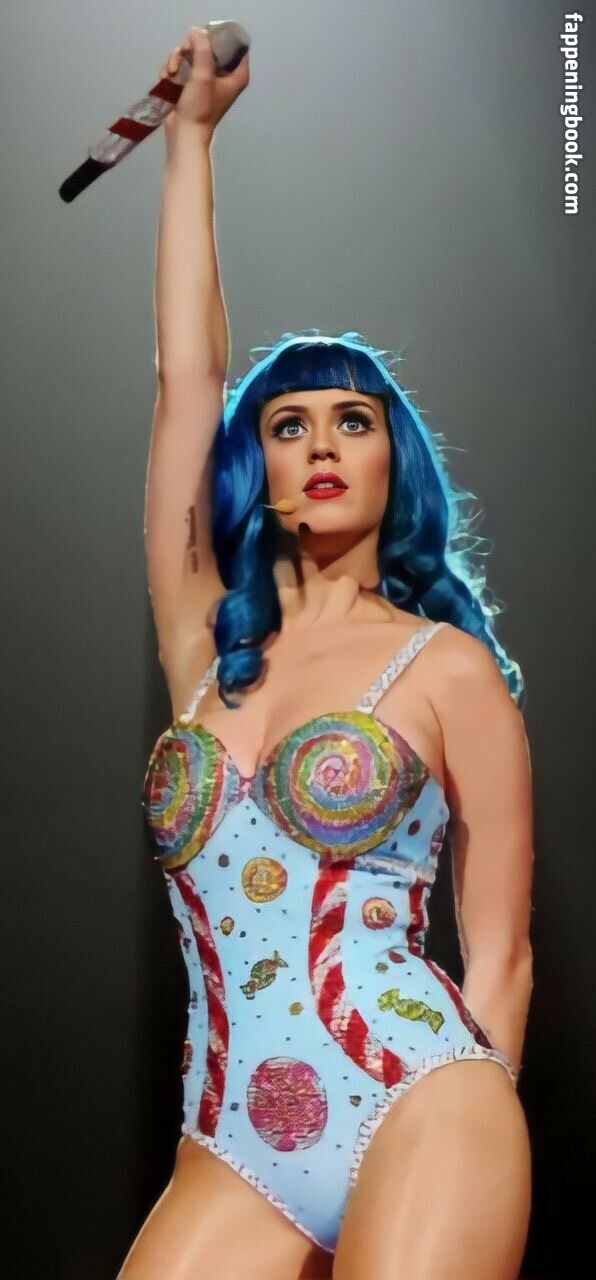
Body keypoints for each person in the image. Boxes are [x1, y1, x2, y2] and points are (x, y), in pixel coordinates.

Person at [117, 25, 534, 1280]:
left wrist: (483, 1149)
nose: (319, 443)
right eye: (287, 422)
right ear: (258, 464)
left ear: (391, 457)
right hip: (228, 1140)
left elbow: (500, 954)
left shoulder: (445, 667)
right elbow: (185, 378)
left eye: (352, 418)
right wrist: (189, 140)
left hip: (423, 1094)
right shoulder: (203, 642)